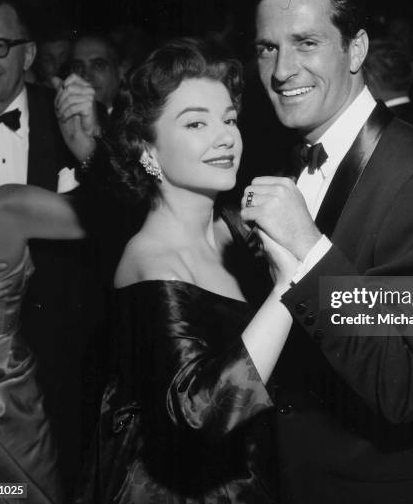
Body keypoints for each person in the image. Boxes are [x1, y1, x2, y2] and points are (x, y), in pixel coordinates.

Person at [240, 0, 413, 504]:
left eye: (305, 43)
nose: (282, 71)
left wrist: (308, 250)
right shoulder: (286, 156)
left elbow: (406, 385)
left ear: (355, 49)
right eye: (267, 48)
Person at [72, 39, 295, 503]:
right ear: (147, 149)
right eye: (196, 122)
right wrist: (292, 282)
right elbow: (202, 413)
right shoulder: (150, 262)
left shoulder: (234, 225)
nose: (225, 136)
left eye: (229, 119)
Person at [0, 0, 102, 490]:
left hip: (69, 350)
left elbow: (146, 184)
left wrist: (93, 151)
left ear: (30, 54)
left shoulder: (74, 115)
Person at [69, 34, 122, 114]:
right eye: (78, 67)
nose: (86, 77)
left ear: (119, 71)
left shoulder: (136, 120)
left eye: (98, 65)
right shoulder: (58, 122)